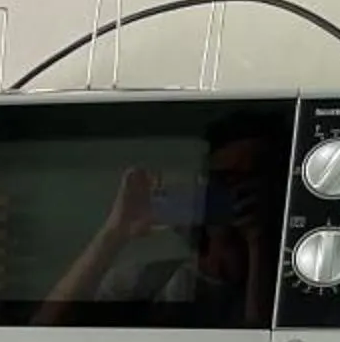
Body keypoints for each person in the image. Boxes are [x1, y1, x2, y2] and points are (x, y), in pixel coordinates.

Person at [36, 108, 284, 325]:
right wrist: (115, 231)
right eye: (224, 180)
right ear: (203, 186)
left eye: (251, 181)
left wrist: (260, 243)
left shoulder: (287, 294)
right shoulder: (142, 281)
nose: (237, 193)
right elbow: (43, 334)